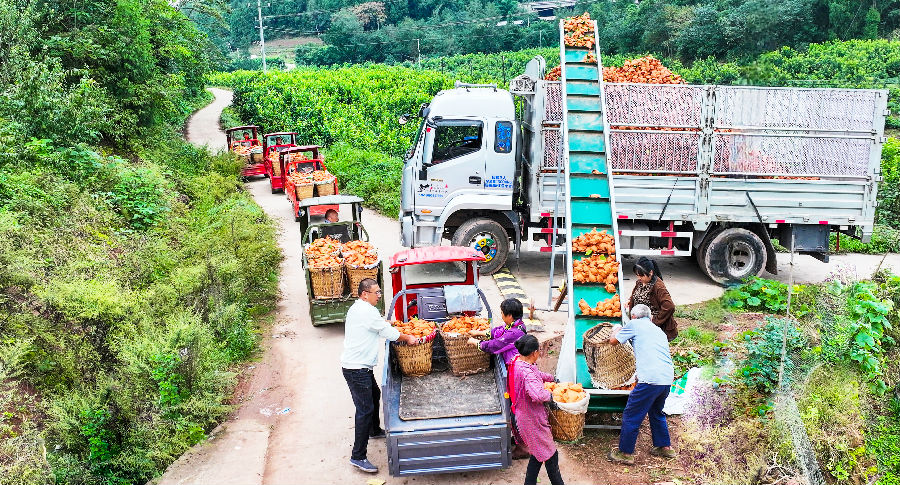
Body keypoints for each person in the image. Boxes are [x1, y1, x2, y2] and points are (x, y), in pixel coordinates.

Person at [340, 278, 418, 473]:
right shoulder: (366, 311)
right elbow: (386, 332)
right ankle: (358, 456)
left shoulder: (359, 308)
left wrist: (388, 322)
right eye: (377, 293)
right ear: (365, 294)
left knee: (374, 395)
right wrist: (408, 337)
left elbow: (378, 324)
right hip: (356, 369)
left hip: (359, 367)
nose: (379, 296)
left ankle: (374, 430)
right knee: (364, 410)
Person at [607, 304, 677, 466]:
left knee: (632, 414)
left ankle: (625, 453)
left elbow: (613, 341)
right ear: (650, 318)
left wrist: (616, 329)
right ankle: (664, 447)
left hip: (650, 379)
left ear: (633, 317)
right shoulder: (658, 330)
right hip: (666, 378)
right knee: (656, 411)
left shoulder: (634, 324)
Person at [467, 298, 529, 459]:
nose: (501, 315)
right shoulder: (515, 325)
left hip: (517, 373)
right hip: (513, 370)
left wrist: (476, 343)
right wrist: (480, 333)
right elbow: (499, 332)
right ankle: (517, 437)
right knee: (513, 407)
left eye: (502, 313)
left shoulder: (515, 332)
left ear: (509, 315)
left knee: (516, 409)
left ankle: (523, 447)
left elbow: (495, 345)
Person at [511, 335, 565, 485]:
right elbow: (537, 395)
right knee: (551, 456)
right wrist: (552, 396)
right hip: (532, 420)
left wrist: (551, 378)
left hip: (527, 417)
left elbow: (537, 374)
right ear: (535, 352)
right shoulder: (526, 372)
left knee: (537, 455)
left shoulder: (520, 362)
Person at [627, 256, 678, 341]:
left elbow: (669, 306)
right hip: (641, 325)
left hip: (654, 328)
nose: (639, 278)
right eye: (637, 275)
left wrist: (655, 320)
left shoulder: (658, 287)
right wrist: (630, 300)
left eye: (641, 276)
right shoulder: (641, 282)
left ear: (650, 273)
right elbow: (636, 293)